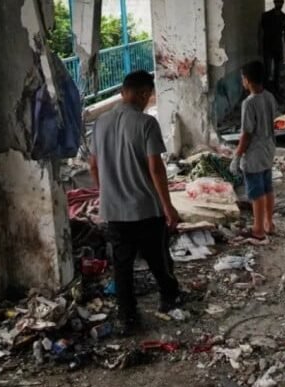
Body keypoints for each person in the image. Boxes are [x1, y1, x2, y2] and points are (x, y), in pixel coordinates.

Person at [89, 70, 185, 334]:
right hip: (144, 208)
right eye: (149, 96)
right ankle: (169, 298)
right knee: (158, 259)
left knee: (122, 267)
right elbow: (156, 168)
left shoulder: (100, 123)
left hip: (114, 211)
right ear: (143, 94)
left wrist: (104, 192)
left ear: (123, 92)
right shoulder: (146, 124)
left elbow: (93, 164)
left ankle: (128, 318)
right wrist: (168, 206)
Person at [229, 61, 277, 244]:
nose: (242, 81)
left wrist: (237, 156)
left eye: (242, 78)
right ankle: (269, 223)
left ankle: (257, 230)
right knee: (268, 187)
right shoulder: (269, 97)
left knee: (256, 192)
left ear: (247, 80)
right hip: (268, 148)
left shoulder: (249, 103)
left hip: (255, 153)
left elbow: (246, 134)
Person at [259, 0, 285, 94]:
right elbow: (260, 32)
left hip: (278, 47)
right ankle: (265, 91)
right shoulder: (266, 15)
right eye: (277, 2)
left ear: (283, 3)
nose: (279, 4)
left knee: (277, 71)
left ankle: (276, 91)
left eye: (281, 2)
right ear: (274, 2)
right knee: (267, 71)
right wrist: (259, 46)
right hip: (267, 46)